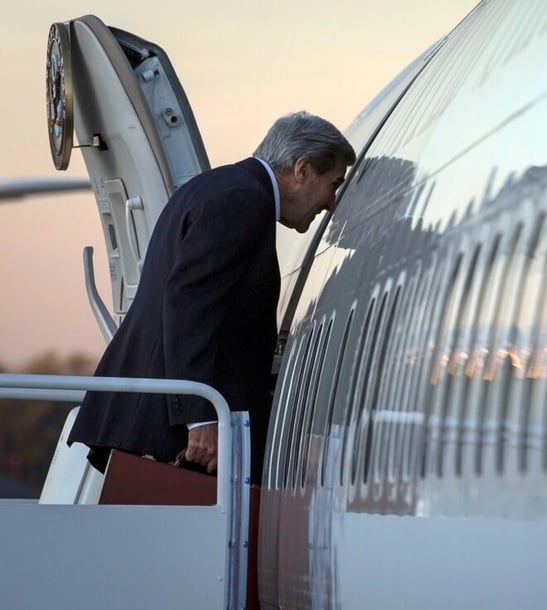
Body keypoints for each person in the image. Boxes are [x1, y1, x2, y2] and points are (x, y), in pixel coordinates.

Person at [69, 112, 356, 484]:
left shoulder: (213, 186)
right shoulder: (243, 200)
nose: (332, 203)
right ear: (302, 169)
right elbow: (189, 306)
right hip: (176, 440)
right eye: (333, 184)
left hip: (149, 421)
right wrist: (200, 415)